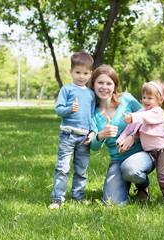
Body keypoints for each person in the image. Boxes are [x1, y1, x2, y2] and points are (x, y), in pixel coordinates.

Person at [89, 64, 154, 205]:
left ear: (115, 86)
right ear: (93, 84)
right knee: (112, 203)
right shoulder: (92, 112)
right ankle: (125, 181)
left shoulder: (127, 99)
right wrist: (101, 136)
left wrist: (133, 135)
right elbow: (93, 146)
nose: (104, 87)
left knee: (130, 169)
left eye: (108, 83)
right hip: (117, 160)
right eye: (100, 82)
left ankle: (142, 185)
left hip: (142, 154)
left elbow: (149, 118)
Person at [117, 79, 164, 207]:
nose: (145, 101)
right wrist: (120, 140)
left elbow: (147, 118)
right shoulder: (140, 113)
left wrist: (133, 117)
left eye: (150, 98)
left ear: (160, 100)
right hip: (151, 153)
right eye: (144, 97)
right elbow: (128, 129)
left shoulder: (157, 112)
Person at [48, 52, 96, 210]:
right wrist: (70, 109)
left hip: (84, 137)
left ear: (90, 74)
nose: (81, 77)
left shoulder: (90, 94)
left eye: (85, 73)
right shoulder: (66, 89)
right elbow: (59, 110)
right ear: (71, 72)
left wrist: (92, 131)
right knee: (63, 167)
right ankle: (57, 199)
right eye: (77, 72)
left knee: (81, 170)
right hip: (68, 135)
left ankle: (77, 197)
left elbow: (92, 115)